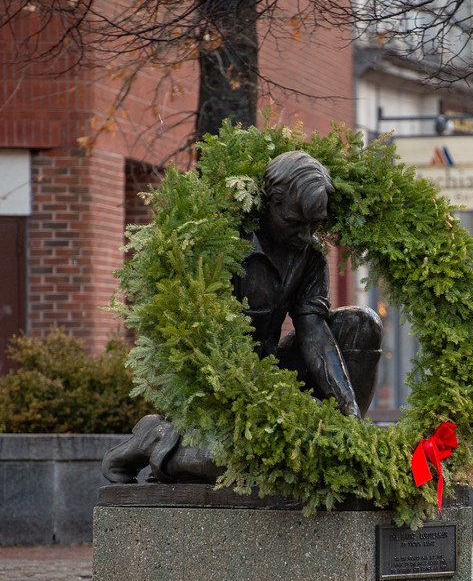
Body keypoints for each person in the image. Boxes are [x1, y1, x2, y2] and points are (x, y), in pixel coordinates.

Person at [103, 150, 383, 483]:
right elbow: (202, 343)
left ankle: (345, 455)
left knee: (363, 323)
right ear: (269, 203)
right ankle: (156, 440)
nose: (306, 235)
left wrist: (348, 411)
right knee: (244, 463)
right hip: (218, 381)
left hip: (271, 373)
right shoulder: (221, 243)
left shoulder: (308, 256)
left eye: (315, 224)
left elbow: (314, 334)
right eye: (295, 222)